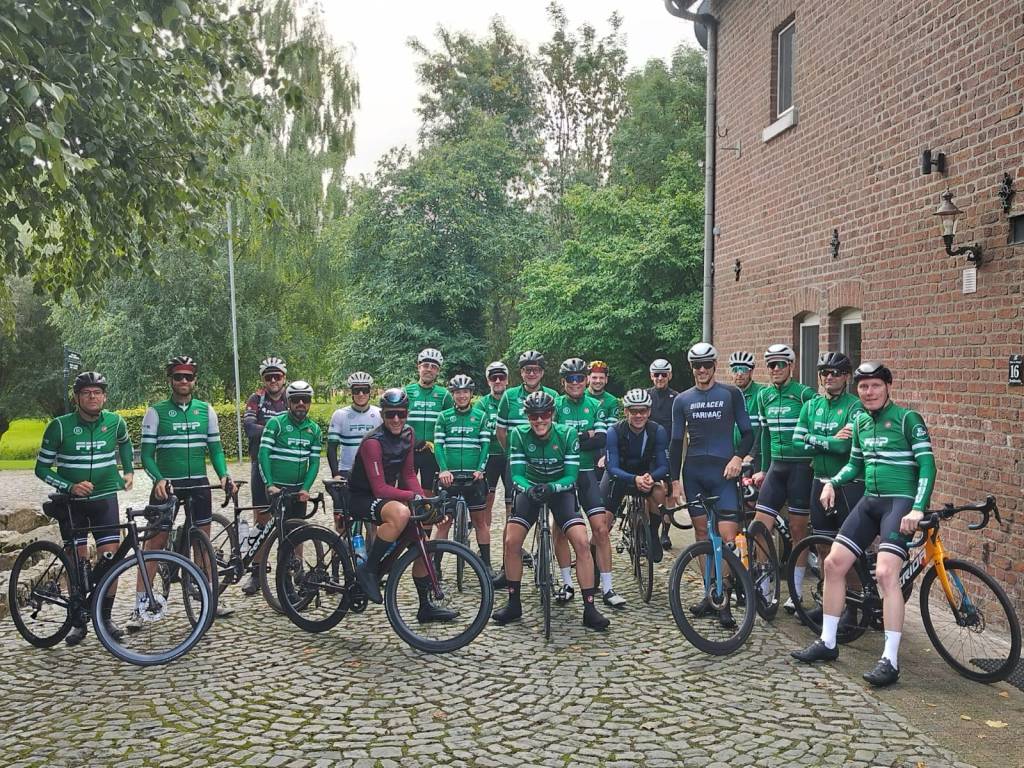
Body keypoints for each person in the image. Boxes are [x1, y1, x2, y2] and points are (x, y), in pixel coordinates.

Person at [791, 362, 936, 687]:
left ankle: (890, 660)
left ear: (887, 387)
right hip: (870, 501)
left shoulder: (907, 419)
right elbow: (855, 463)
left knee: (885, 574)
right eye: (863, 387)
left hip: (900, 502)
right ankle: (828, 641)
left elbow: (928, 465)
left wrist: (917, 508)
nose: (869, 392)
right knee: (833, 564)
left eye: (875, 386)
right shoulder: (859, 422)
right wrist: (832, 482)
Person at [491, 390, 609, 631]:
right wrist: (529, 489)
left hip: (560, 490)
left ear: (552, 414)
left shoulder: (567, 434)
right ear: (527, 416)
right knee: (511, 541)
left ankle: (590, 608)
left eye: (544, 414)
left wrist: (553, 487)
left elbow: (572, 475)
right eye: (533, 416)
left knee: (581, 542)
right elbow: (517, 475)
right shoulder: (518, 434)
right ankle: (513, 603)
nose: (539, 420)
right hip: (531, 489)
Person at [35, 371, 134, 645]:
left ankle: (105, 618)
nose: (92, 397)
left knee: (110, 559)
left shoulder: (115, 422)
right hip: (72, 504)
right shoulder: (59, 427)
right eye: (86, 393)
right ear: (77, 398)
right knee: (77, 561)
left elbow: (125, 443)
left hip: (105, 499)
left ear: (104, 397)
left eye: (97, 392)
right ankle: (78, 621)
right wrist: (70, 486)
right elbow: (41, 469)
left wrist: (128, 471)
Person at [138, 356, 233, 627]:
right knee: (154, 543)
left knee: (203, 543)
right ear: (170, 380)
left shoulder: (206, 410)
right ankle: (140, 604)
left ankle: (209, 598)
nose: (183, 381)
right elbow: (146, 455)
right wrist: (158, 479)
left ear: (194, 380)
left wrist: (223, 474)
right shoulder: (156, 412)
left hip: (199, 484)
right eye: (178, 376)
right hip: (167, 485)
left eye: (188, 377)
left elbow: (215, 449)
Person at [350, 388, 456, 623]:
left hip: (385, 496)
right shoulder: (373, 443)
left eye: (401, 414)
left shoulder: (409, 434)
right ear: (382, 415)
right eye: (390, 414)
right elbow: (379, 488)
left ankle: (426, 607)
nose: (396, 419)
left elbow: (408, 474)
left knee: (424, 545)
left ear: (407, 413)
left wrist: (424, 502)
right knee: (400, 513)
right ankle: (369, 569)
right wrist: (413, 497)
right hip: (361, 497)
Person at [669, 343, 754, 628]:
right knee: (702, 535)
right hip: (694, 473)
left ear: (715, 366)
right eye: (697, 365)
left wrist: (737, 458)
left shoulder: (731, 394)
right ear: (691, 368)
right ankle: (710, 594)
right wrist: (674, 481)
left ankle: (724, 597)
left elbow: (748, 433)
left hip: (724, 473)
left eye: (707, 364)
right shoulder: (682, 400)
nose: (702, 370)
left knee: (727, 537)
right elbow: (675, 442)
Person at [551, 358, 622, 608]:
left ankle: (608, 588)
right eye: (570, 379)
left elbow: (601, 439)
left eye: (580, 378)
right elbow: (553, 440)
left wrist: (571, 438)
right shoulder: (556, 404)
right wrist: (584, 435)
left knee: (601, 529)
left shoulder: (595, 405)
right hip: (562, 473)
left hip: (587, 473)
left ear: (585, 380)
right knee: (560, 530)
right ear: (563, 382)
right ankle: (567, 583)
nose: (575, 383)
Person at [751, 343, 816, 612]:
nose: (775, 369)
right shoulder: (764, 396)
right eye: (771, 365)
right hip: (776, 468)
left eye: (780, 364)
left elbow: (817, 428)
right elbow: (765, 436)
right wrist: (764, 469)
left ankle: (796, 592)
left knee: (798, 531)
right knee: (759, 527)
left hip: (801, 468)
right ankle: (765, 587)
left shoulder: (804, 394)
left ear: (791, 366)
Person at [493, 350, 558, 586]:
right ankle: (506, 566)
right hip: (519, 463)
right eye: (527, 370)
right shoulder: (509, 396)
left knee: (548, 511)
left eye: (536, 370)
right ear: (521, 373)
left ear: (542, 372)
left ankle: (544, 559)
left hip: (546, 464)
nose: (531, 374)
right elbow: (501, 431)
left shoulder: (553, 396)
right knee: (512, 513)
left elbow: (558, 431)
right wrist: (513, 454)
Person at [793, 352, 864, 541]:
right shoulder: (810, 406)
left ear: (847, 376)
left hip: (848, 485)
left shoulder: (855, 406)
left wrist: (809, 437)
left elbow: (843, 446)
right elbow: (796, 443)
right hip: (819, 481)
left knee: (849, 547)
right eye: (824, 372)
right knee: (821, 543)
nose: (829, 377)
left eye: (836, 372)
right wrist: (829, 441)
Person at [432, 374, 492, 576]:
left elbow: (485, 445)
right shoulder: (444, 417)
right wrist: (443, 469)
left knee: (480, 522)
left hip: (473, 476)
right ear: (453, 394)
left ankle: (486, 564)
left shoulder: (481, 417)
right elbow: (438, 445)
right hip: (449, 476)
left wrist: (480, 469)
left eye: (465, 392)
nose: (462, 396)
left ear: (471, 394)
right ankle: (436, 566)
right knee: (444, 522)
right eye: (457, 392)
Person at [601, 389, 670, 556]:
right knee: (602, 526)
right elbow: (612, 468)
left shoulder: (657, 431)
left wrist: (651, 477)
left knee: (659, 491)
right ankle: (595, 558)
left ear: (649, 412)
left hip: (645, 475)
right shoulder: (614, 431)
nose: (638, 415)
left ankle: (652, 533)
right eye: (633, 411)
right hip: (619, 476)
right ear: (626, 411)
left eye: (643, 411)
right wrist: (634, 479)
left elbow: (664, 465)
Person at [240, 356, 288, 594]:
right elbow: (249, 428)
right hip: (259, 462)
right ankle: (257, 572)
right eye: (268, 377)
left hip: (285, 465)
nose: (273, 381)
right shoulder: (256, 399)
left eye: (277, 376)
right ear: (263, 379)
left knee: (290, 521)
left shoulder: (291, 399)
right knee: (261, 518)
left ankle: (292, 569)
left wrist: (267, 430)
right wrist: (279, 430)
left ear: (284, 378)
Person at [258, 380, 323, 510]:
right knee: (280, 523)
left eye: (305, 399)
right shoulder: (276, 423)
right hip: (277, 488)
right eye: (296, 399)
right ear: (288, 402)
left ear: (310, 402)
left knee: (299, 523)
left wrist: (306, 488)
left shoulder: (315, 429)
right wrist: (269, 484)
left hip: (299, 490)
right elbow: (263, 454)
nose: (301, 403)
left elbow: (314, 462)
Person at [405, 348, 453, 491]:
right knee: (406, 491)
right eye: (425, 365)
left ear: (438, 371)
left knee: (429, 492)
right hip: (409, 451)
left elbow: (449, 425)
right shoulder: (406, 392)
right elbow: (398, 423)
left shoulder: (444, 395)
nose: (429, 369)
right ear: (418, 367)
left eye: (434, 367)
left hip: (432, 453)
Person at [477, 361, 510, 550]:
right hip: (489, 456)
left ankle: (510, 547)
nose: (497, 381)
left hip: (509, 455)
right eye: (493, 377)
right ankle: (485, 543)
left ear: (507, 380)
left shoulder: (513, 400)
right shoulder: (482, 404)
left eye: (501, 377)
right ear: (488, 380)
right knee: (487, 500)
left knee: (511, 503)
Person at [646, 358, 678, 551]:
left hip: (668, 450)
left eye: (663, 374)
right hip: (647, 451)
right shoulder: (645, 396)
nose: (660, 378)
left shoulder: (677, 398)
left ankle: (665, 532)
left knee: (669, 494)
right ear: (651, 375)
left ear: (670, 375)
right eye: (656, 374)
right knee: (647, 491)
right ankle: (645, 528)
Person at [728, 351, 762, 469]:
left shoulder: (760, 393)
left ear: (751, 372)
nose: (739, 374)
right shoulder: (728, 395)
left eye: (743, 369)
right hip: (733, 457)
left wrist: (752, 453)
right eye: (735, 370)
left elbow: (763, 428)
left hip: (755, 457)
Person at [586, 360, 619, 483]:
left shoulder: (612, 401)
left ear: (606, 380)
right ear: (588, 378)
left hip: (601, 447)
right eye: (594, 377)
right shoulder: (580, 396)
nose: (598, 381)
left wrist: (607, 455)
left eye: (601, 378)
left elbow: (611, 432)